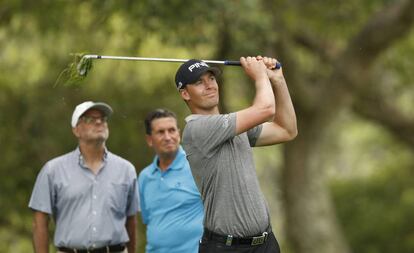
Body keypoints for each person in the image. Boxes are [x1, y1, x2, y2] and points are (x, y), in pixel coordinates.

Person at [175, 56, 297, 253]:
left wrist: (278, 81)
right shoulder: (197, 129)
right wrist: (259, 76)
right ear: (185, 94)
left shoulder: (235, 127)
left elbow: (287, 130)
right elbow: (266, 109)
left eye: (211, 79)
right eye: (199, 82)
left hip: (265, 245)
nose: (209, 85)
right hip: (226, 248)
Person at [29, 101, 140, 253]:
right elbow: (40, 223)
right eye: (90, 119)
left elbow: (131, 221)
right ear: (76, 130)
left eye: (103, 119)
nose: (99, 122)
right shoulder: (52, 170)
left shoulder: (126, 169)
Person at [138, 108, 204, 253]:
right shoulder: (144, 177)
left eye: (172, 130)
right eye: (161, 132)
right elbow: (149, 220)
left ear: (178, 133)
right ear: (149, 139)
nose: (168, 137)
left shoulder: (197, 166)